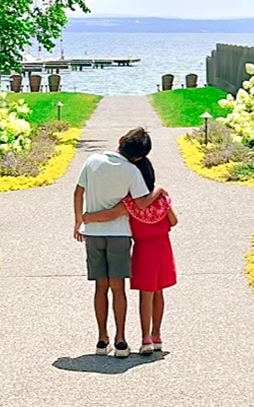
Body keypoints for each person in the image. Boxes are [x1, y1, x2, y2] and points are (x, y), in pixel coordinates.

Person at [73, 128, 165, 358]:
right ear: (139, 156)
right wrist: (159, 191)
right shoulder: (131, 170)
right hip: (119, 235)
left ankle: (102, 339)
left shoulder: (92, 160)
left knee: (100, 287)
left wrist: (79, 221)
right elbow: (141, 204)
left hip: (93, 234)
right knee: (118, 288)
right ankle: (121, 340)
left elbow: (78, 192)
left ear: (121, 141)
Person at [83, 153, 178, 356]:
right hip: (163, 248)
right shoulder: (162, 198)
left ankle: (145, 339)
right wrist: (160, 192)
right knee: (159, 292)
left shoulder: (130, 203)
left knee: (146, 292)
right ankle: (157, 335)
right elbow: (173, 221)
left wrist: (87, 217)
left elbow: (109, 215)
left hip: (144, 250)